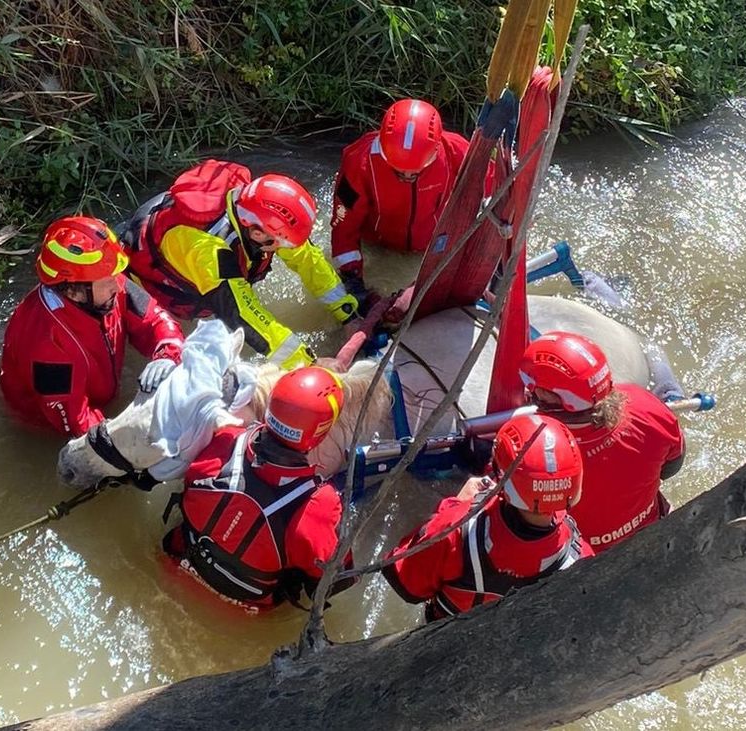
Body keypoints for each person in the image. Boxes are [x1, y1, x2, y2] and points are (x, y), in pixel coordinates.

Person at [120, 160, 359, 369]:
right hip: (148, 287)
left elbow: (308, 260)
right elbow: (241, 314)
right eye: (280, 244)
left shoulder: (255, 211)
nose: (286, 250)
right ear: (256, 234)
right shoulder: (208, 251)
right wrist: (308, 363)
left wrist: (348, 314)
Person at [162, 366, 356, 612]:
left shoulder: (224, 440)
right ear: (319, 435)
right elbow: (335, 579)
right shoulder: (320, 506)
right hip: (243, 611)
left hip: (176, 564)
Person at [382, 413, 591, 621]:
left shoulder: (458, 529)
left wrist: (457, 504)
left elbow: (405, 582)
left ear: (502, 478)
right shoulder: (580, 556)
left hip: (446, 636)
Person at [0, 216, 185, 437]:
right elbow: (78, 423)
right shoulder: (47, 347)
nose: (118, 285)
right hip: (43, 425)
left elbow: (155, 321)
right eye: (108, 281)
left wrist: (167, 354)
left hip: (99, 385)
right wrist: (122, 440)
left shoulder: (104, 288)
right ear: (73, 291)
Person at [519, 332, 686, 553]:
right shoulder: (646, 405)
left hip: (581, 557)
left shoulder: (532, 448)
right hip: (650, 529)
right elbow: (672, 467)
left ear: (556, 400)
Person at [329, 99, 476, 297]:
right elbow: (344, 227)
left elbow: (494, 189)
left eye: (415, 173)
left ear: (435, 150)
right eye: (398, 171)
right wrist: (353, 281)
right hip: (377, 246)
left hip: (432, 248)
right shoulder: (358, 165)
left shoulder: (458, 151)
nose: (406, 177)